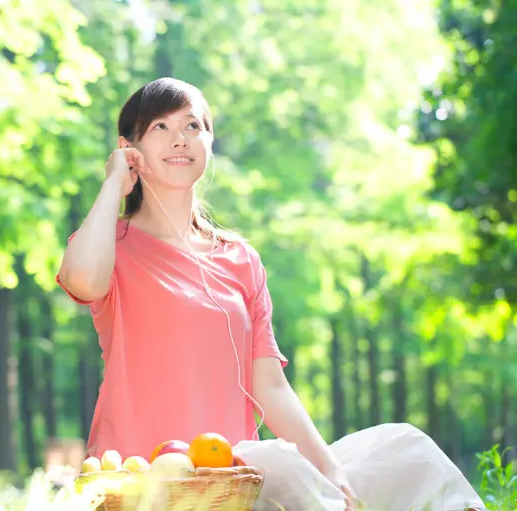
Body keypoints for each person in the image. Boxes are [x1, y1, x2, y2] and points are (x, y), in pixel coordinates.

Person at [55, 77, 485, 511]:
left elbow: (270, 386)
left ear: (209, 142)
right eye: (160, 128)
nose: (179, 140)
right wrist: (114, 184)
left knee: (407, 448)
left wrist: (331, 471)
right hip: (139, 481)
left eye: (192, 126)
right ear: (130, 147)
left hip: (235, 480)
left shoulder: (240, 259)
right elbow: (84, 281)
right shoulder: (112, 245)